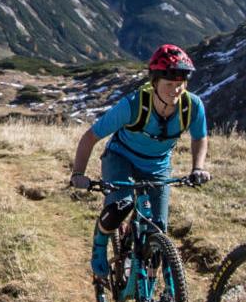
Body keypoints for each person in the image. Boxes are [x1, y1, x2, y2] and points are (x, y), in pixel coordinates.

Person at [68, 44, 211, 284]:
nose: (175, 91)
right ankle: (100, 245)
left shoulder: (192, 106)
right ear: (154, 82)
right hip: (120, 158)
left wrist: (198, 167)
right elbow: (90, 137)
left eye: (180, 85)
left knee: (158, 230)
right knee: (121, 205)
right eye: (169, 85)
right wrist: (78, 173)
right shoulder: (133, 105)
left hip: (158, 166)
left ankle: (149, 296)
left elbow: (200, 137)